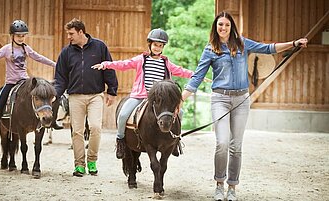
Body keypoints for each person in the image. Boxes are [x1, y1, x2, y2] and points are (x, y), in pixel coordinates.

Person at [181, 11, 308, 201]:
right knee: (222, 143)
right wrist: (180, 100)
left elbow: (268, 48)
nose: (223, 28)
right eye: (220, 25)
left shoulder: (242, 43)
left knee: (236, 146)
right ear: (215, 28)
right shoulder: (210, 49)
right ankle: (219, 184)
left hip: (241, 100)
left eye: (226, 25)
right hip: (220, 100)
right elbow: (197, 78)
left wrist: (293, 43)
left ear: (231, 27)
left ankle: (232, 187)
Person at [92, 28, 195, 159]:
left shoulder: (166, 62)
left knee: (180, 112)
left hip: (160, 100)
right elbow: (124, 64)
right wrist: (106, 65)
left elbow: (181, 71)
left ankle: (175, 141)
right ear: (150, 45)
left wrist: (196, 75)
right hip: (141, 96)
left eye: (160, 45)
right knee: (123, 115)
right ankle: (120, 141)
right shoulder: (141, 59)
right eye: (155, 45)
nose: (157, 48)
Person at [0, 20, 57, 142]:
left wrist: (54, 64)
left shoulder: (26, 49)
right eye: (18, 36)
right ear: (12, 36)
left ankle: (42, 124)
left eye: (23, 36)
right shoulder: (6, 49)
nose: (21, 38)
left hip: (24, 81)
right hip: (11, 83)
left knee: (37, 100)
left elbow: (39, 57)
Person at [54, 18, 118, 177]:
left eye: (71, 33)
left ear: (81, 32)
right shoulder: (66, 52)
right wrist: (55, 95)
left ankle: (92, 160)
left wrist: (112, 90)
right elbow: (60, 77)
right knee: (77, 131)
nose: (69, 37)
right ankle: (79, 165)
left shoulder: (100, 46)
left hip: (96, 95)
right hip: (75, 97)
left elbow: (108, 68)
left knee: (96, 127)